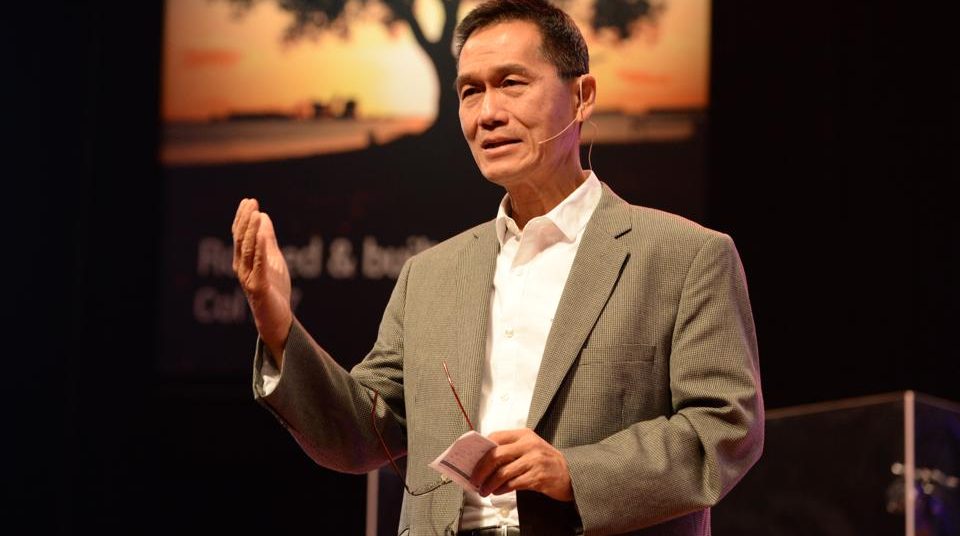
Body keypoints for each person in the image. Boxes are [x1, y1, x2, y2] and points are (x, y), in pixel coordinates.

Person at [231, 0, 763, 534]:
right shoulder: (429, 276)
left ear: (582, 96)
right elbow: (360, 435)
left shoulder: (685, 256)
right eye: (470, 91)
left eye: (511, 83)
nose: (487, 113)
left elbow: (724, 429)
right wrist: (278, 326)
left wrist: (573, 472)